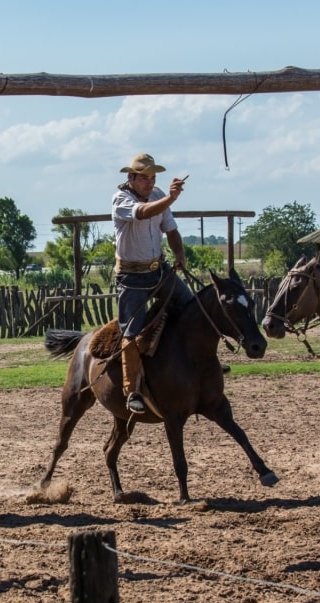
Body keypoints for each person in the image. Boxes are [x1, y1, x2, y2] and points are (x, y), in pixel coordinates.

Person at [112, 153, 194, 414]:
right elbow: (144, 213)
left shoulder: (158, 194)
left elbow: (170, 229)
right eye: (144, 178)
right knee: (131, 334)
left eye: (152, 177)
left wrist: (179, 253)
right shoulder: (121, 200)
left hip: (159, 271)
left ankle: (196, 361)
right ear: (131, 178)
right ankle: (132, 390)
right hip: (131, 277)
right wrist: (170, 198)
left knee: (191, 307)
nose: (149, 182)